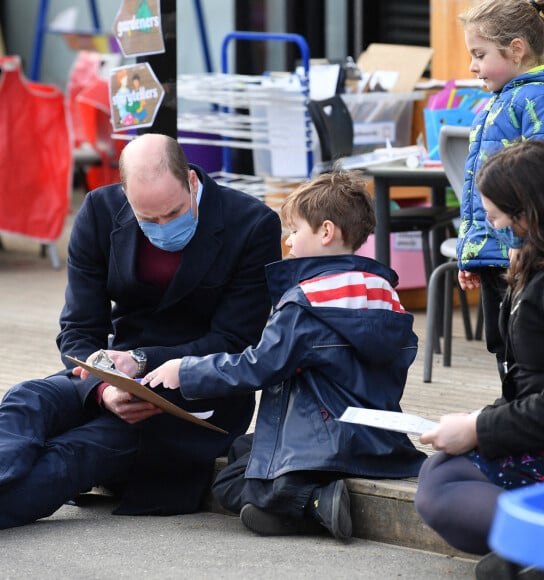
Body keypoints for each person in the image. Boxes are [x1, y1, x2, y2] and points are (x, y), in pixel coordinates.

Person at [0, 133, 282, 528]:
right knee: (26, 399)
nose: (163, 227)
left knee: (75, 451)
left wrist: (141, 360)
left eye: (173, 213)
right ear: (125, 197)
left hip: (197, 392)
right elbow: (79, 328)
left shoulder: (252, 225)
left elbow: (235, 341)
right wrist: (103, 387)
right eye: (148, 219)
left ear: (192, 181)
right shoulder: (100, 210)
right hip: (111, 373)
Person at [143, 170, 427, 541]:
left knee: (232, 483)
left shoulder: (307, 301)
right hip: (377, 439)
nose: (289, 242)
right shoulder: (386, 294)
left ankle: (314, 500)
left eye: (295, 230)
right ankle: (310, 506)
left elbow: (260, 366)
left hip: (320, 444)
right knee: (246, 447)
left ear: (325, 232)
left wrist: (187, 370)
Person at [415, 140, 544, 579]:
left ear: (527, 213)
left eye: (494, 216)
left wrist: (477, 427)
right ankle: (539, 548)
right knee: (442, 472)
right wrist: (480, 422)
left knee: (443, 487)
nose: (492, 225)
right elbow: (530, 380)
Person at [455, 0, 544, 379]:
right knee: (505, 347)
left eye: (479, 54)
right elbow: (482, 191)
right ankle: (512, 423)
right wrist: (473, 249)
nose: (472, 66)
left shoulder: (543, 100)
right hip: (499, 255)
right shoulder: (499, 101)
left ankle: (529, 430)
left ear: (516, 49)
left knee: (529, 353)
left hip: (527, 255)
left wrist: (523, 244)